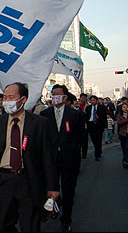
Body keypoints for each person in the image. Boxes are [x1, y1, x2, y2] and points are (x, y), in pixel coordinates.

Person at [0, 82, 59, 232]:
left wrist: (52, 186)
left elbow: (48, 157)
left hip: (28, 180)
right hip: (3, 181)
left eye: (11, 97)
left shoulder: (39, 123)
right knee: (3, 225)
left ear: (23, 99)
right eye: (5, 97)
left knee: (30, 225)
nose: (7, 101)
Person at [41, 84, 84, 233]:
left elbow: (81, 138)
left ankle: (66, 220)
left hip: (69, 159)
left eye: (59, 94)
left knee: (68, 190)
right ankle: (56, 206)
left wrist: (75, 152)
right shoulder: (45, 114)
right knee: (52, 188)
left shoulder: (75, 114)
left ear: (65, 97)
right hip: (51, 160)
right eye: (53, 94)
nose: (56, 96)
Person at [85, 95, 107, 161]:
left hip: (99, 125)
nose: (92, 101)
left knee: (99, 139)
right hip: (91, 125)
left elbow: (104, 117)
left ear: (96, 101)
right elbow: (86, 117)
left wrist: (105, 126)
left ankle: (97, 154)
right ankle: (98, 149)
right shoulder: (88, 108)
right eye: (91, 100)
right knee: (94, 140)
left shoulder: (102, 107)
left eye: (93, 100)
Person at [116, 103, 128, 168]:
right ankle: (127, 159)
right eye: (123, 107)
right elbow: (120, 123)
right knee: (124, 148)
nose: (125, 108)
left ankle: (125, 161)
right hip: (122, 134)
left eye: (126, 107)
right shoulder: (119, 115)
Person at [78, 93, 89, 158]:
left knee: (85, 139)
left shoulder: (88, 106)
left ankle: (84, 153)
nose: (83, 99)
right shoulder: (77, 105)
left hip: (85, 125)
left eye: (85, 98)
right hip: (78, 124)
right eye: (82, 98)